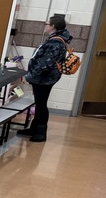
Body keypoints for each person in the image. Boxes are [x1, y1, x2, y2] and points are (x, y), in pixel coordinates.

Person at [20, 14, 73, 143]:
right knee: (39, 104)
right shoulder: (55, 39)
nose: (45, 26)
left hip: (44, 78)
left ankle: (40, 132)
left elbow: (46, 63)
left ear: (53, 26)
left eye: (47, 24)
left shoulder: (55, 42)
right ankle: (34, 128)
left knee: (41, 104)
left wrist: (30, 75)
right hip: (43, 78)